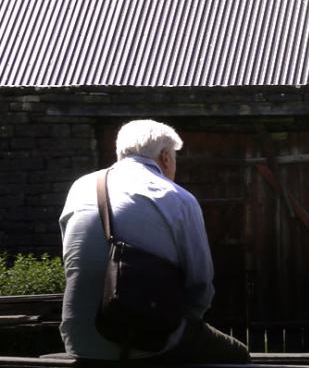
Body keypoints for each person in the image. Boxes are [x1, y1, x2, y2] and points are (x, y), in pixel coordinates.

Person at [59, 119, 250, 363]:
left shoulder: (81, 187)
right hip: (151, 340)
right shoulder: (176, 196)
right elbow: (200, 285)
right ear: (166, 157)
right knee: (238, 354)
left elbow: (71, 262)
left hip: (80, 340)